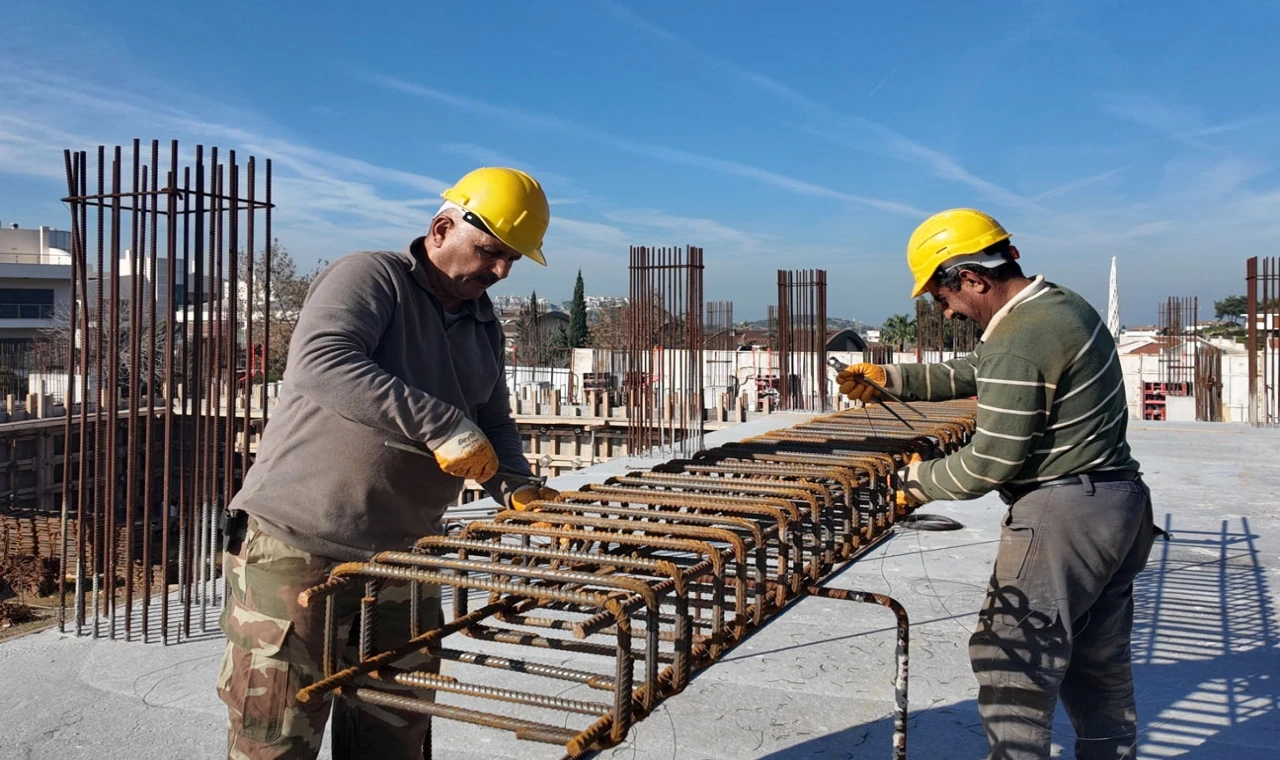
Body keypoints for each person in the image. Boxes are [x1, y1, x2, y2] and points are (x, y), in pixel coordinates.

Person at [215, 166, 561, 759]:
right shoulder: (371, 277)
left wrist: (517, 485)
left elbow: (494, 421)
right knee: (274, 741)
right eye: (489, 252)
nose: (500, 272)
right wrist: (443, 423)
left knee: (394, 740)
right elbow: (322, 364)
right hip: (299, 549)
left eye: (512, 260)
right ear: (441, 228)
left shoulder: (482, 323)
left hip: (405, 559)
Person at [838, 208, 1158, 760]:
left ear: (972, 277)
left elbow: (990, 465)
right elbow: (973, 371)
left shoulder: (1023, 336)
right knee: (1095, 661)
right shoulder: (1054, 306)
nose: (947, 309)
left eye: (944, 296)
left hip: (1066, 515)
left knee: (1011, 662)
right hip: (1119, 505)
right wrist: (890, 378)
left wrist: (916, 482)